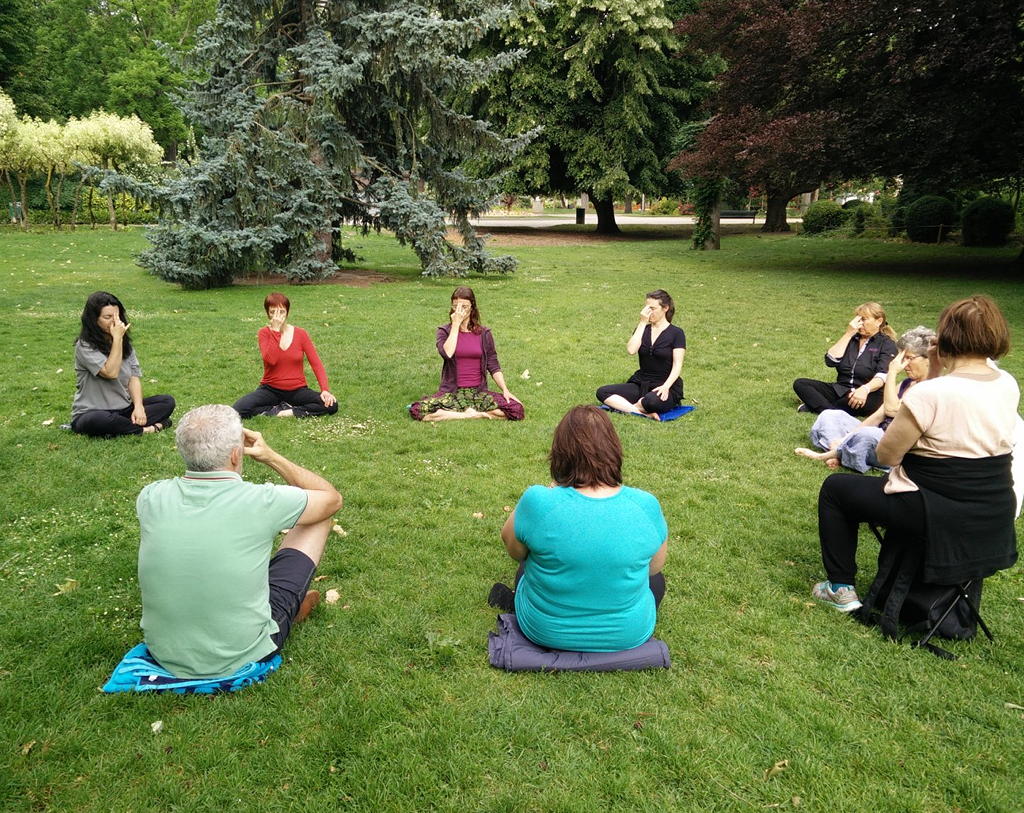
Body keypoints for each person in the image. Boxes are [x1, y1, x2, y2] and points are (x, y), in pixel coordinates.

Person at [811, 295, 1019, 613]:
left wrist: (934, 370)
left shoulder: (927, 392)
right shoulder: (1007, 384)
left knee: (836, 490)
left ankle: (841, 589)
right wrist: (937, 369)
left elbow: (886, 455)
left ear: (946, 337)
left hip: (932, 509)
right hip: (992, 511)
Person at [137, 404, 342, 678]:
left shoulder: (151, 496)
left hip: (164, 653)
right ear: (236, 454)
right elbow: (331, 499)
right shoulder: (262, 501)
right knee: (319, 517)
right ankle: (290, 611)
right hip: (241, 652)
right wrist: (271, 457)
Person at [491, 405, 668, 652]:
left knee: (527, 565)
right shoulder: (646, 504)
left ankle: (519, 604)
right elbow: (654, 568)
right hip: (628, 634)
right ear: (614, 450)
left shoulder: (539, 501)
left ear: (559, 453)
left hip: (545, 631)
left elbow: (514, 551)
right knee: (657, 581)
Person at [795, 326, 935, 472]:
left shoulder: (932, 387)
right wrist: (848, 436)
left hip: (897, 448)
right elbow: (879, 415)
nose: (903, 364)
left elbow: (892, 410)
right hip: (880, 434)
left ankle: (832, 454)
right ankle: (841, 450)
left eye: (909, 358)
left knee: (868, 435)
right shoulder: (907, 383)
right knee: (830, 416)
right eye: (902, 357)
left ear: (929, 359)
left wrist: (891, 372)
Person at [409, 286, 523, 421]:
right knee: (417, 410)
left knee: (517, 409)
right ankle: (467, 415)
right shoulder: (444, 331)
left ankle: (471, 414)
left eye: (464, 306)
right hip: (452, 392)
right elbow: (447, 353)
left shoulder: (484, 334)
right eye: (456, 306)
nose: (459, 310)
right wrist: (456, 324)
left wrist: (505, 390)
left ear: (472, 308)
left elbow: (493, 364)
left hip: (478, 392)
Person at [70, 291, 176, 437]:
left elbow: (133, 377)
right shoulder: (84, 346)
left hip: (124, 410)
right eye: (107, 317)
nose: (115, 321)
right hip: (92, 412)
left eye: (117, 316)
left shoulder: (126, 345)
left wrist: (138, 407)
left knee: (167, 401)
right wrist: (117, 339)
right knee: (98, 421)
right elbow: (110, 372)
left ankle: (119, 428)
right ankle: (148, 429)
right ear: (94, 320)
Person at [233, 293, 338, 419]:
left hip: (297, 390)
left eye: (281, 312)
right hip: (270, 389)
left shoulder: (301, 334)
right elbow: (271, 360)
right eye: (273, 312)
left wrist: (325, 390)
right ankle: (276, 408)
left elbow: (316, 363)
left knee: (331, 405)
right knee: (238, 410)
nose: (278, 317)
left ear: (287, 313)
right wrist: (275, 332)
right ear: (268, 314)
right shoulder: (264, 333)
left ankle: (285, 412)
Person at [793, 302, 898, 416]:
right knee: (800, 384)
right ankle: (829, 410)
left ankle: (818, 406)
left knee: (847, 402)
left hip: (869, 393)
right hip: (841, 389)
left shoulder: (887, 344)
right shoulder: (852, 338)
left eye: (864, 319)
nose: (859, 324)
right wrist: (848, 334)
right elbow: (830, 361)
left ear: (878, 321)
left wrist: (865, 389)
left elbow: (882, 376)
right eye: (858, 319)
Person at [596, 289, 686, 420]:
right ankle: (641, 412)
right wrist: (643, 323)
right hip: (641, 383)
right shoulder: (642, 329)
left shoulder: (677, 333)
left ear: (665, 308)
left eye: (652, 308)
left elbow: (678, 364)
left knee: (651, 402)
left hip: (665, 385)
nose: (647, 312)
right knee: (603, 392)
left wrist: (666, 386)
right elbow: (631, 350)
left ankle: (628, 406)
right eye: (646, 308)